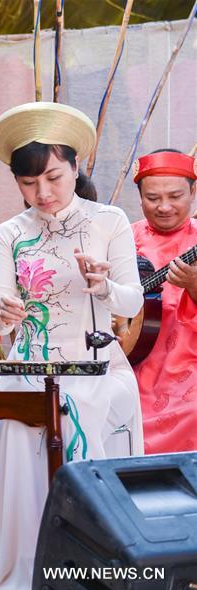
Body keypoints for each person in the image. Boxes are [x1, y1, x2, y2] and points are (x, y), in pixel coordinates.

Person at [0, 103, 145, 590]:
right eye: (28, 183)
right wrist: (7, 311)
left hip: (95, 367)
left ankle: (98, 571)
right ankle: (31, 573)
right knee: (23, 463)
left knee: (85, 434)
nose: (42, 193)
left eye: (54, 177)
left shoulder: (109, 221)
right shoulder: (11, 233)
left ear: (76, 165)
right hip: (29, 367)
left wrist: (102, 287)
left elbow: (132, 298)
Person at [129, 149, 197, 453]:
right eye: (153, 198)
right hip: (130, 362)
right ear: (140, 196)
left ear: (193, 191)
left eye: (175, 196)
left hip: (188, 367)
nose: (165, 207)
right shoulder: (123, 238)